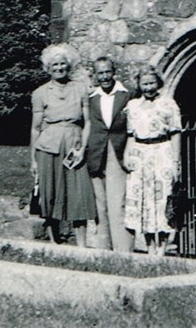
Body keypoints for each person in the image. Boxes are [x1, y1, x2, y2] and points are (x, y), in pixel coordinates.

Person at [30, 43, 96, 247]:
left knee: (78, 193)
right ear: (48, 68)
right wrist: (32, 159)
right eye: (54, 65)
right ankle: (54, 242)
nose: (59, 68)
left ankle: (82, 245)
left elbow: (88, 122)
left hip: (74, 144)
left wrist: (82, 148)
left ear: (69, 66)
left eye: (63, 64)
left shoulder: (81, 88)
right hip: (48, 146)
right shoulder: (40, 93)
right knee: (49, 193)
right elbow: (35, 128)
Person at [124, 64, 181, 256]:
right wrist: (127, 155)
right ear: (139, 85)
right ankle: (149, 248)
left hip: (162, 152)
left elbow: (175, 133)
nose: (148, 88)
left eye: (152, 83)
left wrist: (175, 162)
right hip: (140, 153)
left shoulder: (168, 104)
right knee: (142, 200)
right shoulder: (133, 106)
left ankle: (162, 248)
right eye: (144, 84)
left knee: (162, 199)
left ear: (158, 83)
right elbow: (131, 134)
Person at [87, 57, 133, 252]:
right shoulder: (91, 98)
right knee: (99, 205)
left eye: (107, 72)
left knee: (117, 202)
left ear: (113, 72)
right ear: (95, 75)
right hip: (96, 153)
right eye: (100, 73)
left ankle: (123, 252)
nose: (104, 77)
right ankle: (102, 250)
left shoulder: (127, 94)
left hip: (118, 151)